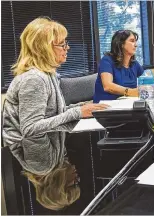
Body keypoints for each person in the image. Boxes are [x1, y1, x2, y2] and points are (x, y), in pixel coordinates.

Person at [2, 17, 108, 208]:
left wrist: (84, 107)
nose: (67, 48)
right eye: (62, 44)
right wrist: (77, 112)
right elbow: (31, 128)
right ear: (43, 48)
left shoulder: (46, 76)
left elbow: (52, 115)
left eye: (73, 183)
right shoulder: (34, 80)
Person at [93, 30, 144, 103]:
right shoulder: (107, 61)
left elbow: (146, 79)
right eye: (132, 41)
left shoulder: (134, 63)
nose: (135, 45)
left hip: (126, 104)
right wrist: (131, 92)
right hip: (106, 107)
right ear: (121, 44)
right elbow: (108, 86)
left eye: (135, 42)